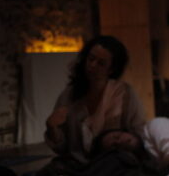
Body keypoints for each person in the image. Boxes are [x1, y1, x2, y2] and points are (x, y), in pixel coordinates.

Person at [44, 35, 146, 163]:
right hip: (78, 165)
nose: (92, 65)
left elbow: (138, 135)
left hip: (115, 166)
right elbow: (63, 148)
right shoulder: (70, 94)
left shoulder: (124, 94)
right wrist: (52, 128)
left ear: (112, 69)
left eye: (101, 63)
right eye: (91, 59)